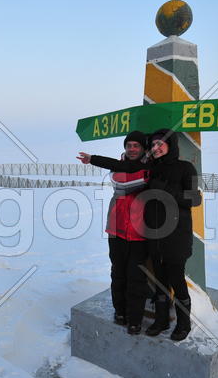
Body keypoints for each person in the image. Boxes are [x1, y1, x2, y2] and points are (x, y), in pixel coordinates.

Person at [78, 128, 201, 340]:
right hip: (153, 234)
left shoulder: (185, 168)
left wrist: (168, 191)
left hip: (176, 236)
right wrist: (93, 159)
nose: (156, 147)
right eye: (153, 144)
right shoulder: (150, 167)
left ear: (170, 145)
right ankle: (161, 320)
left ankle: (184, 323)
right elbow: (122, 165)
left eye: (161, 143)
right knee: (160, 280)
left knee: (177, 281)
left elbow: (194, 199)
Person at [79, 132, 150, 334]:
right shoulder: (118, 169)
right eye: (129, 145)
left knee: (136, 278)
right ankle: (120, 311)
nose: (132, 149)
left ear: (144, 148)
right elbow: (122, 171)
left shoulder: (148, 168)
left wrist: (94, 159)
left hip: (140, 233)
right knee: (118, 274)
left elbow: (131, 170)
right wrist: (92, 159)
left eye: (137, 145)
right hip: (116, 230)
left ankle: (135, 319)